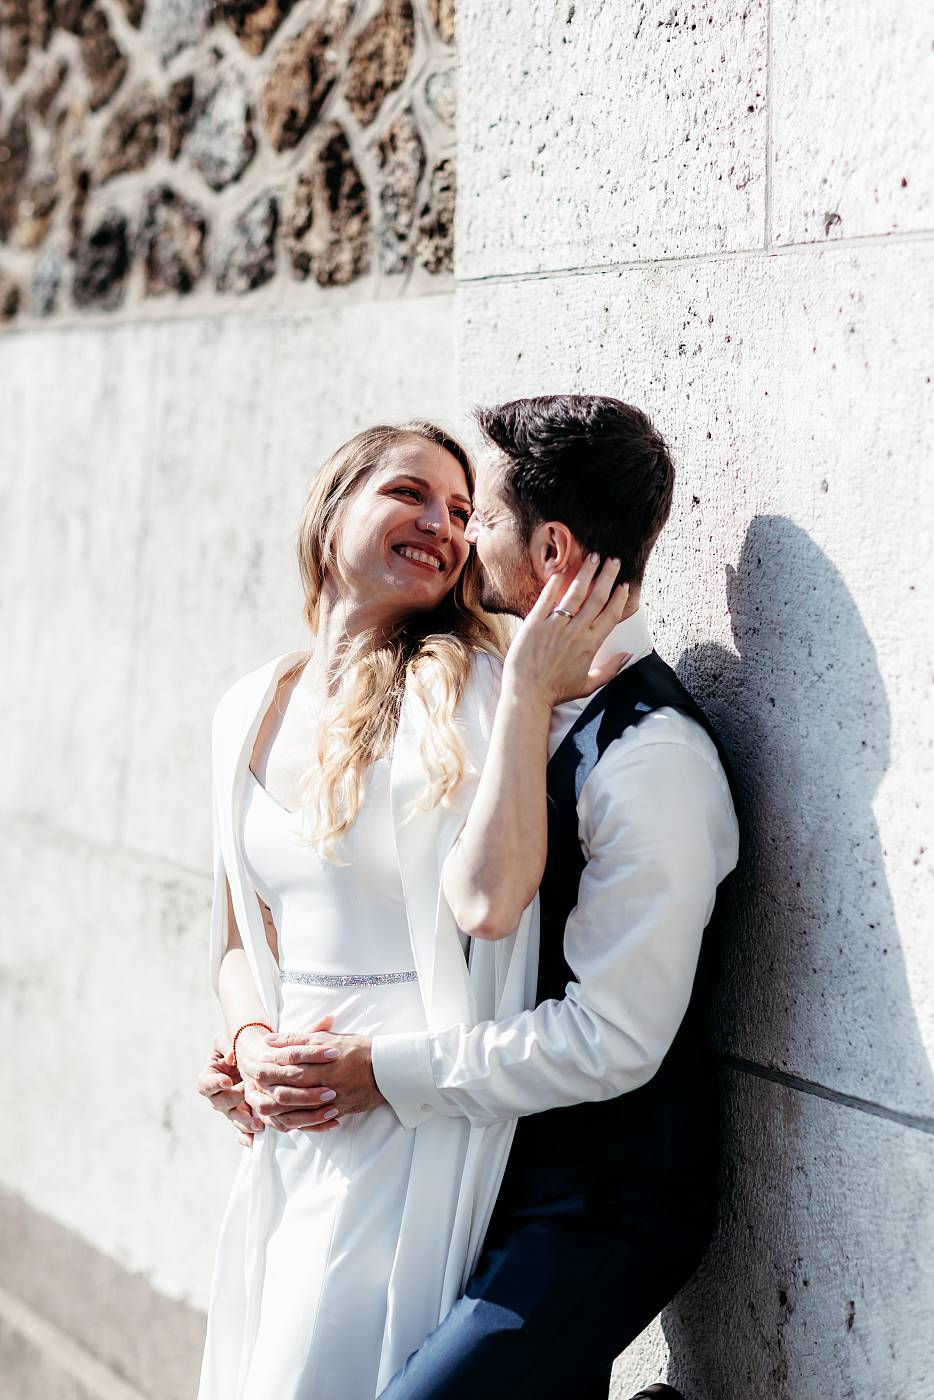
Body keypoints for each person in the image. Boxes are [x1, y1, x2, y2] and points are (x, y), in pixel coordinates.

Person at [202, 395, 740, 1400]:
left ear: (551, 547)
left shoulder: (634, 750)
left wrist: (381, 1072)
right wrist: (250, 1044)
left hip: (587, 1192)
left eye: (473, 512)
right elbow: (249, 926)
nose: (453, 535)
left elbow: (603, 1031)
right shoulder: (526, 700)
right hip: (455, 1132)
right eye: (417, 498)